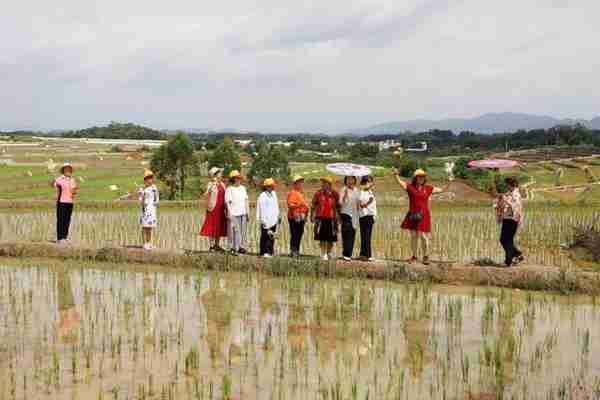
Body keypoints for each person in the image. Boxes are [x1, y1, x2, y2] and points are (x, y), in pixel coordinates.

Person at [393, 168, 445, 265]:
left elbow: (443, 190)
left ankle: (426, 256)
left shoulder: (428, 188)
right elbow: (400, 183)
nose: (421, 178)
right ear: (415, 178)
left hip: (424, 215)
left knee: (423, 236)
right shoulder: (410, 187)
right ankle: (414, 256)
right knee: (413, 236)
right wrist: (396, 175)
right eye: (419, 177)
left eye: (422, 177)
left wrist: (450, 182)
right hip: (412, 214)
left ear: (424, 178)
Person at [491, 176, 524, 267]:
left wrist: (505, 200)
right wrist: (499, 197)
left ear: (511, 185)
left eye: (507, 185)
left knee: (507, 240)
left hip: (513, 219)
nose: (506, 187)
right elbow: (500, 199)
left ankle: (509, 260)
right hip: (506, 218)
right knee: (504, 239)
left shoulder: (516, 194)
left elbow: (515, 206)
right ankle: (517, 254)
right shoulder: (509, 193)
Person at [311, 176, 340, 261]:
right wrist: (312, 216)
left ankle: (329, 252)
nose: (323, 184)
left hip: (332, 218)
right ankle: (323, 253)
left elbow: (338, 207)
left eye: (325, 182)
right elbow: (313, 205)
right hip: (320, 218)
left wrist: (339, 218)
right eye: (322, 182)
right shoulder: (318, 193)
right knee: (322, 237)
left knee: (331, 237)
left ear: (329, 184)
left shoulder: (335, 194)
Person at [200, 167, 228, 252]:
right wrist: (213, 185)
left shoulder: (223, 184)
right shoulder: (210, 184)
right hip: (213, 208)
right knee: (212, 227)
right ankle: (212, 246)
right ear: (215, 175)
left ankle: (217, 245)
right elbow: (205, 194)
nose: (221, 174)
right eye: (219, 173)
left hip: (221, 208)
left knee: (219, 227)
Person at [52, 163, 79, 243]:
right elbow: (53, 185)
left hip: (70, 202)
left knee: (67, 220)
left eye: (69, 169)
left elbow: (73, 191)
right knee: (61, 220)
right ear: (63, 170)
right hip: (61, 202)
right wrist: (54, 181)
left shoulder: (72, 180)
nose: (68, 170)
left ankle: (65, 237)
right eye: (66, 169)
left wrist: (75, 191)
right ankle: (60, 238)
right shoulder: (59, 179)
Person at [225, 170, 249, 256]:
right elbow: (227, 202)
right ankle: (232, 248)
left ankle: (240, 247)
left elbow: (246, 200)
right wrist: (229, 213)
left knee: (242, 232)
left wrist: (247, 212)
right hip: (234, 213)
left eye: (239, 178)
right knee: (234, 232)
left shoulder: (243, 188)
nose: (239, 179)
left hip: (242, 213)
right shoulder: (229, 189)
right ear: (233, 179)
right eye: (237, 178)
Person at [256, 178, 280, 258]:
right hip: (265, 220)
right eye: (271, 186)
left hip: (273, 219)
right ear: (266, 187)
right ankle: (264, 252)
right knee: (265, 236)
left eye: (273, 186)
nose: (273, 187)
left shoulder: (274, 194)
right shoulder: (262, 196)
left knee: (271, 237)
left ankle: (270, 251)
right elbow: (262, 209)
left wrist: (278, 215)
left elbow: (276, 206)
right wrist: (263, 221)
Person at [287, 175, 309, 257]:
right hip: (294, 217)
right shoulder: (292, 193)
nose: (300, 184)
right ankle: (293, 251)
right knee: (294, 234)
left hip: (302, 216)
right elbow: (290, 205)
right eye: (299, 182)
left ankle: (297, 250)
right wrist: (299, 205)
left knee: (300, 233)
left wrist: (306, 214)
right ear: (295, 184)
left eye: (301, 182)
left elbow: (305, 206)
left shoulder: (302, 193)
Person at [339, 176, 360, 261]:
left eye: (351, 179)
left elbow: (358, 202)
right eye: (348, 179)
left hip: (354, 214)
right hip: (345, 213)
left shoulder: (357, 190)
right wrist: (345, 196)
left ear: (354, 180)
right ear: (345, 180)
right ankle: (346, 254)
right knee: (346, 233)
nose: (350, 181)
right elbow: (340, 202)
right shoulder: (343, 189)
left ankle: (349, 254)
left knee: (352, 233)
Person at [139, 170, 159, 250]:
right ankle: (144, 243)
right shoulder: (143, 189)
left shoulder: (154, 187)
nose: (150, 179)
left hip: (152, 209)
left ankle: (149, 243)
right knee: (144, 227)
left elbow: (157, 197)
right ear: (145, 179)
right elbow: (140, 200)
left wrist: (156, 202)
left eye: (151, 177)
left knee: (150, 227)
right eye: (148, 178)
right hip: (145, 210)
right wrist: (142, 195)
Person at [358, 176, 377, 262]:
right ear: (363, 183)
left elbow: (374, 205)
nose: (369, 183)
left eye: (370, 182)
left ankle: (365, 255)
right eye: (367, 182)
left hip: (370, 216)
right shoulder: (361, 192)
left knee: (367, 236)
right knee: (364, 235)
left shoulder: (370, 192)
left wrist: (374, 216)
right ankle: (364, 255)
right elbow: (360, 204)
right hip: (363, 216)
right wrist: (368, 202)